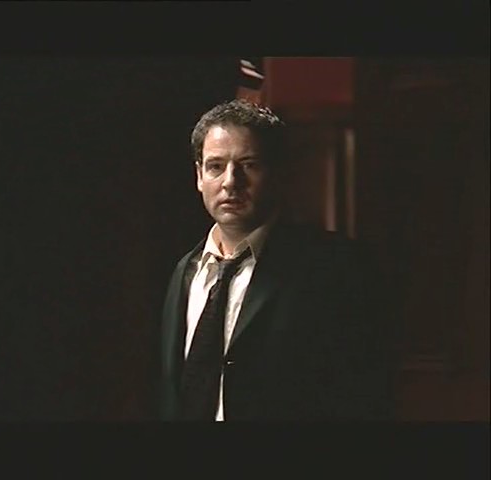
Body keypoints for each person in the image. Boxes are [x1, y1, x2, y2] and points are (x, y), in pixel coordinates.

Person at [159, 99, 394, 421]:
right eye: (216, 166)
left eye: (249, 165)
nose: (230, 181)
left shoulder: (334, 265)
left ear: (279, 173)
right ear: (199, 176)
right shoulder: (185, 270)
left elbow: (361, 388)